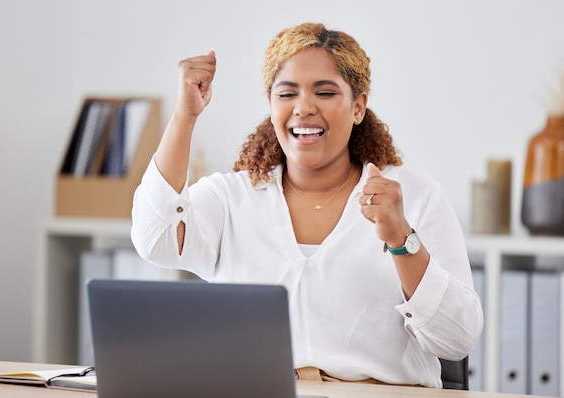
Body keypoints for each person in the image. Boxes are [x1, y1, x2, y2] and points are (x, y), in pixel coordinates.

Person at [131, 22, 483, 388]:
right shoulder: (231, 197)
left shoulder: (415, 195)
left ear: (358, 107)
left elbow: (456, 340)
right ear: (271, 106)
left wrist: (400, 237)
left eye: (325, 92)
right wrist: (185, 116)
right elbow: (156, 240)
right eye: (286, 94)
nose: (303, 108)